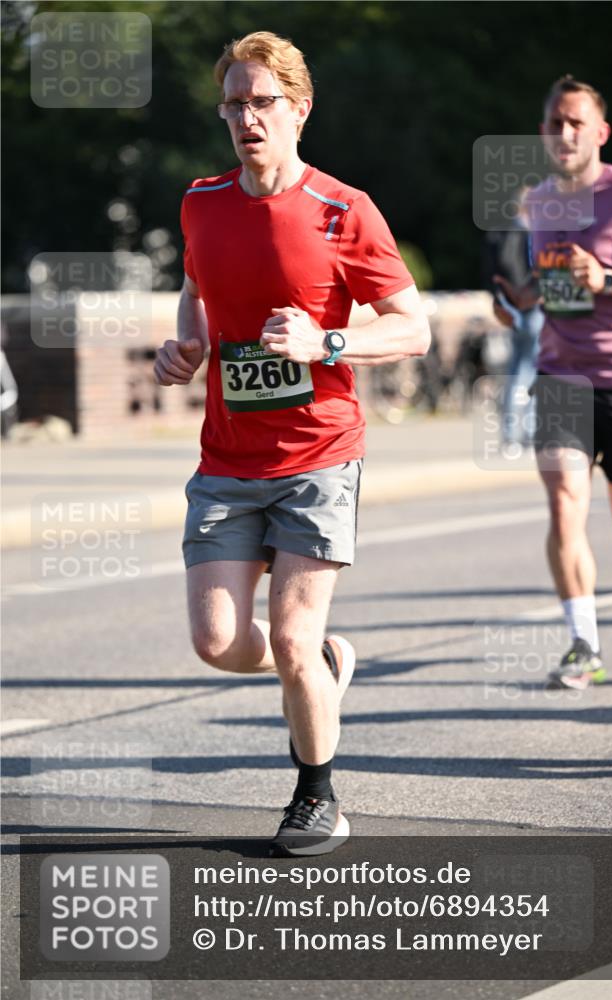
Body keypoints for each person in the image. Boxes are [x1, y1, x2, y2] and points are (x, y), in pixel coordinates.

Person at [153, 31, 429, 855]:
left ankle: (316, 796)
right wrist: (189, 344)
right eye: (233, 104)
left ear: (299, 110)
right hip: (226, 458)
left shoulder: (343, 210)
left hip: (318, 455)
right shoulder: (201, 201)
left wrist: (325, 343)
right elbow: (194, 287)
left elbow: (412, 328)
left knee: (289, 638)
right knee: (216, 642)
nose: (246, 118)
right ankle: (328, 664)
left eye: (262, 102)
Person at [494, 75, 612, 690]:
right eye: (554, 123)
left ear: (600, 132)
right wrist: (518, 302)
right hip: (560, 376)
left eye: (576, 123)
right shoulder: (539, 201)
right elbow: (548, 284)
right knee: (565, 501)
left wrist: (610, 279)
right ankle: (584, 644)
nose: (564, 133)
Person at [481, 188, 544, 453]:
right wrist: (527, 297)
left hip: (515, 309)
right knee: (527, 371)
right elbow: (513, 267)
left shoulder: (500, 231)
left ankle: (516, 433)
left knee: (518, 368)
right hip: (530, 310)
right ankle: (520, 433)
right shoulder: (523, 232)